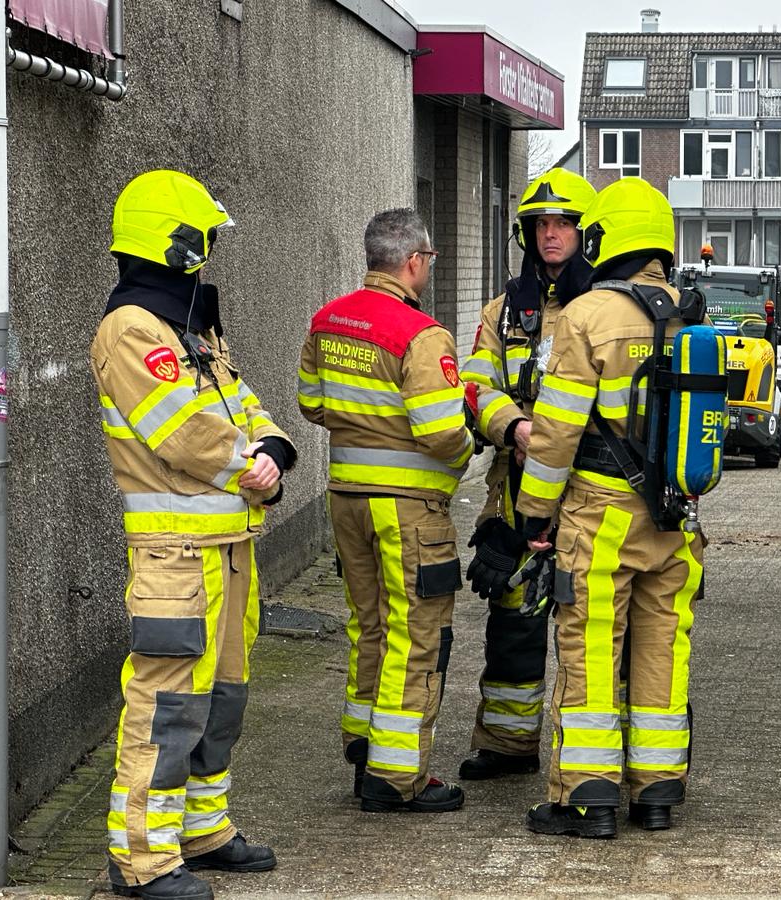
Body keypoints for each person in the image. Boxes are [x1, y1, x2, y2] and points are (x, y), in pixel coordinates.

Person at [91, 169, 295, 900]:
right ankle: (141, 860)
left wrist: (274, 447)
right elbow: (183, 431)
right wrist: (252, 466)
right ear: (176, 244)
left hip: (228, 548)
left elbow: (240, 403)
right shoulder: (131, 329)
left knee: (222, 698)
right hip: (175, 555)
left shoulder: (189, 324)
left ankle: (203, 830)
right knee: (167, 706)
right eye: (204, 240)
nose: (209, 254)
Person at [512, 177, 706, 838]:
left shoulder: (586, 315)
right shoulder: (690, 314)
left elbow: (556, 433)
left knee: (590, 646)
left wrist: (535, 514)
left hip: (600, 514)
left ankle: (587, 797)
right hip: (675, 518)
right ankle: (657, 792)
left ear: (603, 238)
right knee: (663, 650)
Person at [296, 209, 473, 813]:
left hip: (347, 501)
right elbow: (443, 432)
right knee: (416, 634)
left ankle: (364, 749)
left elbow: (312, 404)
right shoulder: (422, 335)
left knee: (367, 625)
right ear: (415, 261)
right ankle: (397, 780)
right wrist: (468, 448)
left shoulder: (329, 320)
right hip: (408, 511)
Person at [458, 167, 596, 781]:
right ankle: (507, 744)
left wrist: (562, 439)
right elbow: (473, 386)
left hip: (589, 485)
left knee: (589, 614)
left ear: (586, 233)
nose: (550, 234)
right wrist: (513, 426)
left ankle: (595, 756)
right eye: (540, 224)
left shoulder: (604, 307)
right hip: (514, 486)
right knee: (514, 612)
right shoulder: (503, 310)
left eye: (563, 223)